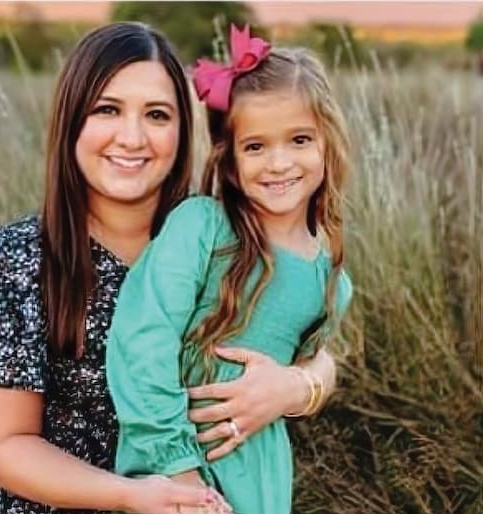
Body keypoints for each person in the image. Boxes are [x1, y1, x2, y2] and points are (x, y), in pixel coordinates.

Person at [0, 21, 338, 514]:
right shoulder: (14, 260)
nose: (132, 137)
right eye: (107, 109)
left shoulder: (219, 232)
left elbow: (307, 334)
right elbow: (3, 444)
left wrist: (298, 386)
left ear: (183, 130)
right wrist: (137, 495)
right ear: (71, 121)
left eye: (156, 114)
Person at [106, 25, 353, 514]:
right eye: (256, 146)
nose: (279, 163)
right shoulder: (202, 228)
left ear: (328, 142)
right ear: (231, 160)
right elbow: (141, 341)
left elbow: (309, 370)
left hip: (259, 478)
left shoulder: (332, 280)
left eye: (299, 139)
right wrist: (181, 473)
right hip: (172, 473)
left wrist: (295, 388)